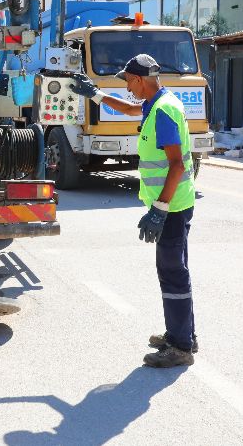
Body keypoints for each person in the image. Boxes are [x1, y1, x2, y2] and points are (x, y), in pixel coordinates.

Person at [69, 54, 198, 368]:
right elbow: (127, 108)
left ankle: (180, 347)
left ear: (140, 79)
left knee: (172, 273)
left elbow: (177, 164)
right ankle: (182, 334)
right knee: (172, 270)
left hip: (172, 206)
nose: (127, 87)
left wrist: (159, 209)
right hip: (174, 205)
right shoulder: (157, 102)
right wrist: (95, 95)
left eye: (128, 81)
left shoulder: (164, 111)